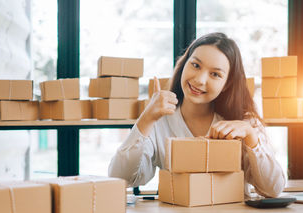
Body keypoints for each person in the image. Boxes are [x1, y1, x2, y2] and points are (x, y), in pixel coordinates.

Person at [109, 32, 285, 198]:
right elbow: (120, 177)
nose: (200, 80)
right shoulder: (159, 122)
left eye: (215, 74)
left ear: (226, 84)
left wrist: (251, 137)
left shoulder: (243, 123)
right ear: (184, 64)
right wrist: (146, 119)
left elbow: (273, 189)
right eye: (195, 65)